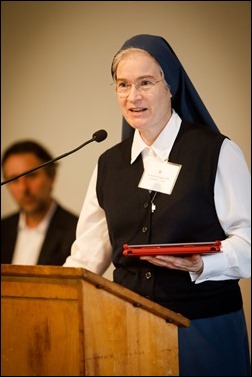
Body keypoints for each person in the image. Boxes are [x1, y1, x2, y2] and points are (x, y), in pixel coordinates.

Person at [63, 34, 251, 376]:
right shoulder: (109, 164)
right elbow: (87, 255)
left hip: (204, 330)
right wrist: (56, 295)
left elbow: (248, 242)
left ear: (171, 85)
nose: (133, 96)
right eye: (123, 84)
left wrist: (201, 264)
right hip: (127, 328)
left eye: (146, 82)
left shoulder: (217, 152)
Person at [1, 139, 78, 266]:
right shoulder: (3, 229)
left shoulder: (76, 233)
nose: (23, 188)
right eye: (14, 180)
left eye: (31, 176)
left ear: (52, 176)